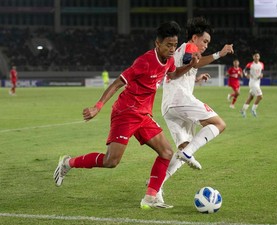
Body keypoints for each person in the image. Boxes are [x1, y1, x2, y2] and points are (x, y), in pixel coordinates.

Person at [53, 21, 200, 209]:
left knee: (166, 152)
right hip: (126, 112)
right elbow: (117, 83)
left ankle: (150, 197)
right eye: (168, 45)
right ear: (157, 43)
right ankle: (68, 163)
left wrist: (191, 68)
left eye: (174, 45)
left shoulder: (169, 60)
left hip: (143, 115)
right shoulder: (144, 62)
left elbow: (172, 74)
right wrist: (98, 106)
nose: (172, 49)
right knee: (111, 161)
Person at [159, 17, 234, 203]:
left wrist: (196, 78)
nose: (206, 45)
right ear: (194, 37)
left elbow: (184, 67)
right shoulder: (189, 46)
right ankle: (188, 152)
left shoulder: (182, 50)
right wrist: (220, 54)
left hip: (168, 107)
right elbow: (195, 61)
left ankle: (156, 187)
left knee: (184, 148)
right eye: (205, 41)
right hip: (180, 100)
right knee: (219, 124)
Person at [240, 52, 264, 118]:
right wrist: (246, 75)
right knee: (260, 96)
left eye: (257, 56)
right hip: (253, 83)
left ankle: (243, 110)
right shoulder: (250, 64)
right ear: (253, 57)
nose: (256, 57)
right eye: (255, 56)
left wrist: (261, 75)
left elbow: (261, 72)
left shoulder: (261, 64)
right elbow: (244, 70)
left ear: (259, 57)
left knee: (251, 97)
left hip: (258, 82)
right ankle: (253, 109)